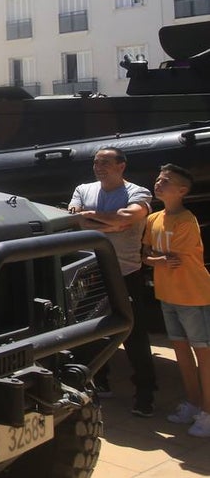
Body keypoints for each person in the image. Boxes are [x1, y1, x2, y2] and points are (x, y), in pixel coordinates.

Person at [68, 146, 157, 416]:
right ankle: (98, 380)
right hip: (91, 273)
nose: (99, 167)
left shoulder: (137, 192)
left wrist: (90, 219)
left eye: (105, 162)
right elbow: (73, 220)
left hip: (125, 273)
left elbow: (128, 218)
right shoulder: (83, 189)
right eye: (96, 162)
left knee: (134, 335)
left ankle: (145, 393)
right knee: (88, 330)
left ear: (121, 166)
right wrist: (110, 225)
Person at [142, 164, 210, 435]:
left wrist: (154, 259)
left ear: (182, 190)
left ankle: (207, 411)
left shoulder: (187, 220)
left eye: (166, 180)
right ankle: (193, 403)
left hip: (193, 296)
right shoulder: (153, 218)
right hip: (167, 295)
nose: (159, 183)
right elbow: (148, 255)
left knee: (203, 355)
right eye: (158, 178)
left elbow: (173, 259)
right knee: (181, 351)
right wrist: (155, 259)